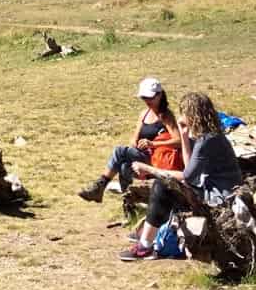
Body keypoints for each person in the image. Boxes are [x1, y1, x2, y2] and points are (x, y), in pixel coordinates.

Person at [118, 91, 242, 261]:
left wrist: (150, 169)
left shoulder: (208, 140)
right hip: (210, 188)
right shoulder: (205, 136)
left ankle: (145, 246)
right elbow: (188, 165)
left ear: (192, 114)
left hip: (219, 197)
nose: (181, 117)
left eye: (184, 112)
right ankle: (146, 237)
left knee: (163, 186)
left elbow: (188, 176)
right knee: (163, 186)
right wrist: (184, 136)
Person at [78, 77, 181, 202]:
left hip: (155, 158)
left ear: (159, 95)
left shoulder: (166, 115)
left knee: (119, 150)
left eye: (150, 97)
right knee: (123, 166)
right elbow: (135, 136)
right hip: (139, 154)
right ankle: (129, 204)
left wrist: (153, 144)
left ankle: (100, 186)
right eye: (144, 97)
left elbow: (178, 141)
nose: (147, 101)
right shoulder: (144, 114)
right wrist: (134, 143)